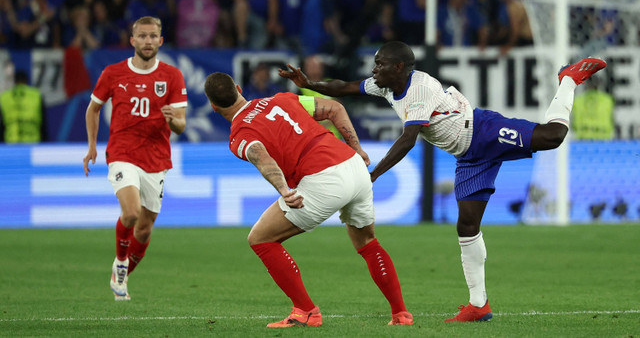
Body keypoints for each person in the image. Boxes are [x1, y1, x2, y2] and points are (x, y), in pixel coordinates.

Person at [279, 40, 606, 322]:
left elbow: (408, 139)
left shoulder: (420, 89)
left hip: (482, 131)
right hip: (468, 157)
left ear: (399, 66)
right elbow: (346, 87)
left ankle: (568, 80)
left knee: (552, 137)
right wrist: (308, 82)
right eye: (374, 63)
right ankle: (479, 305)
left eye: (379, 64)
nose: (373, 69)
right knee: (466, 226)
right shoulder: (385, 84)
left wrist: (374, 173)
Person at [203, 72, 413, 328]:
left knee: (261, 238)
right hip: (353, 165)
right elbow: (335, 108)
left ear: (214, 107)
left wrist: (284, 190)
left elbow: (261, 156)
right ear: (238, 88)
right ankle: (401, 315)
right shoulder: (280, 100)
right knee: (368, 242)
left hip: (323, 179)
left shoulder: (239, 135)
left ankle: (306, 311)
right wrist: (356, 147)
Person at [82, 16, 187, 301]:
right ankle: (120, 262)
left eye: (153, 36)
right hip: (122, 153)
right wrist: (92, 146)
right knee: (131, 213)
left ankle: (123, 278)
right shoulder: (113, 73)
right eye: (142, 36)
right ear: (132, 40)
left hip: (156, 157)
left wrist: (172, 120)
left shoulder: (172, 76)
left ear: (161, 40)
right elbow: (93, 109)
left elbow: (181, 124)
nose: (148, 41)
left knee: (145, 225)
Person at [0, 70, 46, 143]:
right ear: (26, 81)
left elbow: (1, 125)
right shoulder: (36, 95)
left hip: (11, 142)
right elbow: (43, 124)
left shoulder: (4, 97)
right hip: (32, 142)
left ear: (14, 82)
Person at [572, 75, 615, 140]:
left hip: (582, 140)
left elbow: (573, 124)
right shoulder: (608, 100)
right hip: (603, 140)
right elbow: (612, 121)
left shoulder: (577, 101)